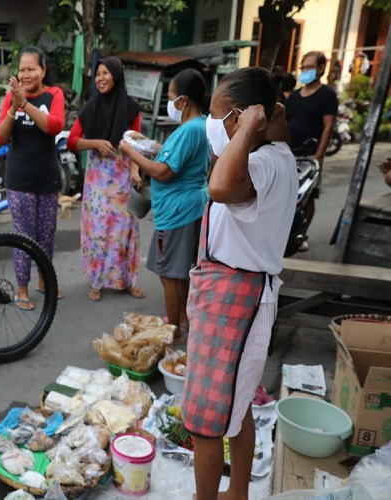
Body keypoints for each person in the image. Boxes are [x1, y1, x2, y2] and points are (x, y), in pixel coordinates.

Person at [182, 66, 297, 500]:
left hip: (238, 298)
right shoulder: (275, 155)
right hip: (231, 294)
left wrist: (248, 125)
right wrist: (262, 120)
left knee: (207, 421)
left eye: (218, 115)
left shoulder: (262, 165)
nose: (212, 124)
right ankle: (238, 492)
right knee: (236, 404)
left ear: (242, 118)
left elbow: (219, 186)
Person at [119, 69, 210, 338]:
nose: (170, 104)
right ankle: (181, 318)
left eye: (171, 97)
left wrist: (130, 153)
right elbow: (171, 155)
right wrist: (146, 143)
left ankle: (174, 330)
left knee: (170, 274)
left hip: (178, 210)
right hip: (185, 207)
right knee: (176, 271)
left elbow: (163, 171)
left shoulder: (190, 129)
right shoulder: (197, 126)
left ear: (183, 100)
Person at [68, 55, 145, 302]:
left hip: (122, 178)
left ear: (116, 75)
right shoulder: (90, 108)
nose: (100, 78)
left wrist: (135, 171)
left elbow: (135, 144)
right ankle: (97, 281)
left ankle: (127, 280)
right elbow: (72, 141)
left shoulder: (132, 108)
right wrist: (96, 143)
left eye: (105, 73)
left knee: (125, 230)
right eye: (97, 74)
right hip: (98, 180)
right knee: (99, 231)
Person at [0, 46, 65, 310]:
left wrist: (25, 103)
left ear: (43, 70)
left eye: (31, 69)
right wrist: (14, 107)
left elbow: (53, 126)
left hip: (47, 178)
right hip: (19, 180)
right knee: (24, 237)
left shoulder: (53, 94)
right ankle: (22, 289)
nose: (25, 74)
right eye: (22, 69)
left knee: (46, 235)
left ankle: (44, 281)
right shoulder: (11, 98)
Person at [285, 51, 338, 252]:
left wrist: (319, 155)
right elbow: (286, 122)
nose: (305, 71)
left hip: (310, 155)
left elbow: (328, 127)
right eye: (303, 67)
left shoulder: (327, 96)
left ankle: (301, 235)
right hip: (290, 153)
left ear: (321, 68)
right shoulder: (295, 97)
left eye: (309, 67)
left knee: (308, 196)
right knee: (288, 195)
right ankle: (287, 234)